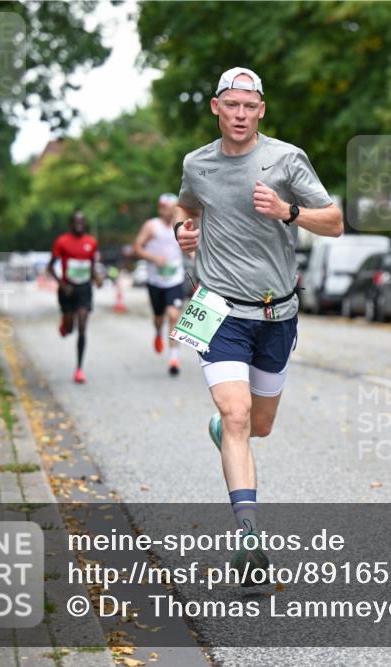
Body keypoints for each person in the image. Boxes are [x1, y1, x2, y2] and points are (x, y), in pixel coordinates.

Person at [173, 67, 343, 583]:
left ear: (261, 110)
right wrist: (184, 230)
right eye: (232, 105)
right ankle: (249, 541)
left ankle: (225, 433)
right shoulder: (197, 163)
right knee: (238, 412)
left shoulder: (285, 159)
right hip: (217, 308)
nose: (240, 114)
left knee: (256, 425)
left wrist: (288, 212)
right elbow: (186, 206)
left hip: (276, 312)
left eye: (249, 106)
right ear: (215, 108)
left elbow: (334, 221)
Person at [133, 193, 186, 376]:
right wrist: (154, 258)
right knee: (159, 318)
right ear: (161, 208)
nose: (171, 211)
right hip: (156, 281)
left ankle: (173, 358)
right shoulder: (151, 226)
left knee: (173, 315)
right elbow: (137, 247)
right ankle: (157, 331)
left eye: (174, 208)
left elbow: (189, 246)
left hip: (175, 279)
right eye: (167, 208)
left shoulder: (180, 225)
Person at [48, 211, 102, 384]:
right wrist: (62, 284)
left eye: (82, 222)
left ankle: (79, 369)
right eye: (76, 222)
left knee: (83, 326)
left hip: (84, 288)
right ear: (71, 224)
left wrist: (97, 277)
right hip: (67, 289)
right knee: (70, 327)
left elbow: (91, 266)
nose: (79, 225)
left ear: (85, 224)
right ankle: (65, 323)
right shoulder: (62, 241)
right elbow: (50, 267)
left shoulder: (91, 242)